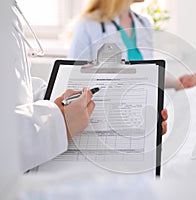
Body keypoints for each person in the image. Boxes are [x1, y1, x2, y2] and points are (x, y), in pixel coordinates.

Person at [12, 1, 168, 173]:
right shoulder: (88, 25)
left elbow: (22, 91)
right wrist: (59, 118)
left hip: (111, 116)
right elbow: (76, 77)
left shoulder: (143, 23)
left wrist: (142, 128)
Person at [69, 0, 196, 90]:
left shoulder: (143, 23)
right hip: (100, 110)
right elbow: (73, 75)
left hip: (137, 107)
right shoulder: (89, 25)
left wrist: (178, 82)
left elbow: (146, 74)